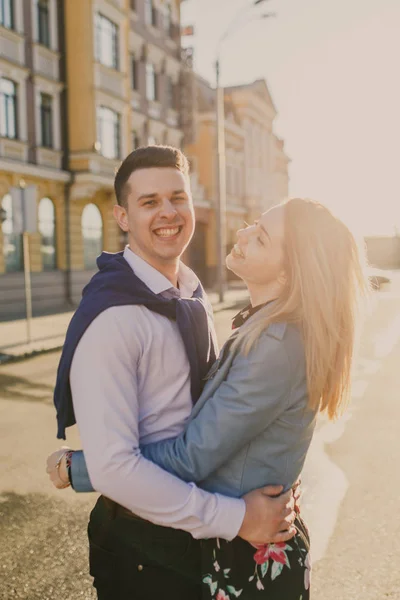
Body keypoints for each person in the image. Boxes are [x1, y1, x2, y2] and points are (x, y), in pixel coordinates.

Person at [49, 187, 368, 597]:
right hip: (247, 543)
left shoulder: (277, 344)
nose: (243, 233)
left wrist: (83, 466)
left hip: (249, 562)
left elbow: (193, 455)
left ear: (289, 272)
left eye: (261, 236)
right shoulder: (265, 328)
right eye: (254, 223)